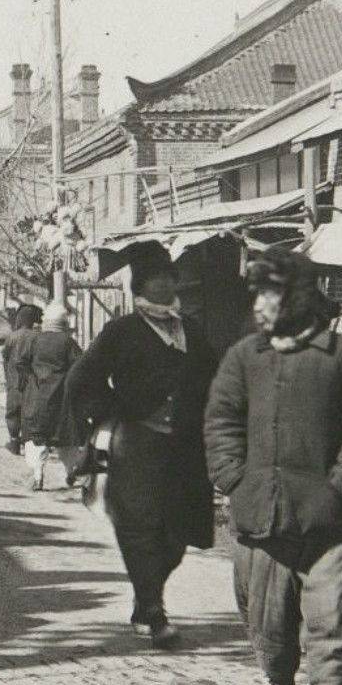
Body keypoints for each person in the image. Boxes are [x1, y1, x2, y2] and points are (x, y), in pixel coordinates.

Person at [204, 247, 342, 685]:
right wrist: (234, 480)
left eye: (270, 293)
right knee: (265, 610)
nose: (260, 305)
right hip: (258, 514)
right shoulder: (245, 357)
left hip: (329, 519)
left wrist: (340, 489)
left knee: (337, 610)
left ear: (298, 297)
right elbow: (221, 422)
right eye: (258, 294)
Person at [66, 243, 217, 648]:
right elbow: (81, 381)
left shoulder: (193, 331)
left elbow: (216, 381)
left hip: (185, 449)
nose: (164, 286)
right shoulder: (121, 331)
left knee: (177, 536)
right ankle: (154, 611)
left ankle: (145, 597)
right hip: (136, 445)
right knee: (139, 529)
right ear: (141, 286)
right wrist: (117, 410)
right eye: (155, 280)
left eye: (170, 278)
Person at [16, 301, 84, 490]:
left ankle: (38, 476)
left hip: (38, 397)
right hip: (62, 398)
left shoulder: (35, 340)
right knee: (67, 440)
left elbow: (20, 362)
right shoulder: (67, 342)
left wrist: (30, 380)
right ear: (63, 322)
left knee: (37, 438)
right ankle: (71, 473)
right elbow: (80, 366)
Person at [3, 304, 43, 455]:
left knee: (13, 411)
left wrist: (7, 377)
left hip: (14, 380)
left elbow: (5, 357)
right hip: (32, 381)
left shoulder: (12, 337)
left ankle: (14, 441)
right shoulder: (38, 336)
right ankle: (30, 442)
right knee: (30, 411)